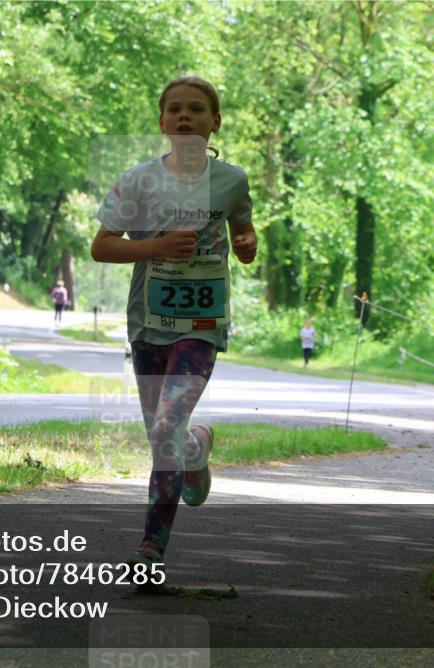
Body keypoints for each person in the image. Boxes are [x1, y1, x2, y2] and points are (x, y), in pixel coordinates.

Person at [90, 76, 256, 579]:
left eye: (197, 110)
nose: (186, 117)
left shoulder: (231, 179)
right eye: (176, 110)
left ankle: (150, 547)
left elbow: (243, 229)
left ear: (215, 122)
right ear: (162, 121)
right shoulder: (139, 180)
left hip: (202, 325)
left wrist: (247, 244)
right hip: (148, 323)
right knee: (164, 437)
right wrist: (154, 248)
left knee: (165, 427)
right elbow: (102, 246)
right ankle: (195, 450)